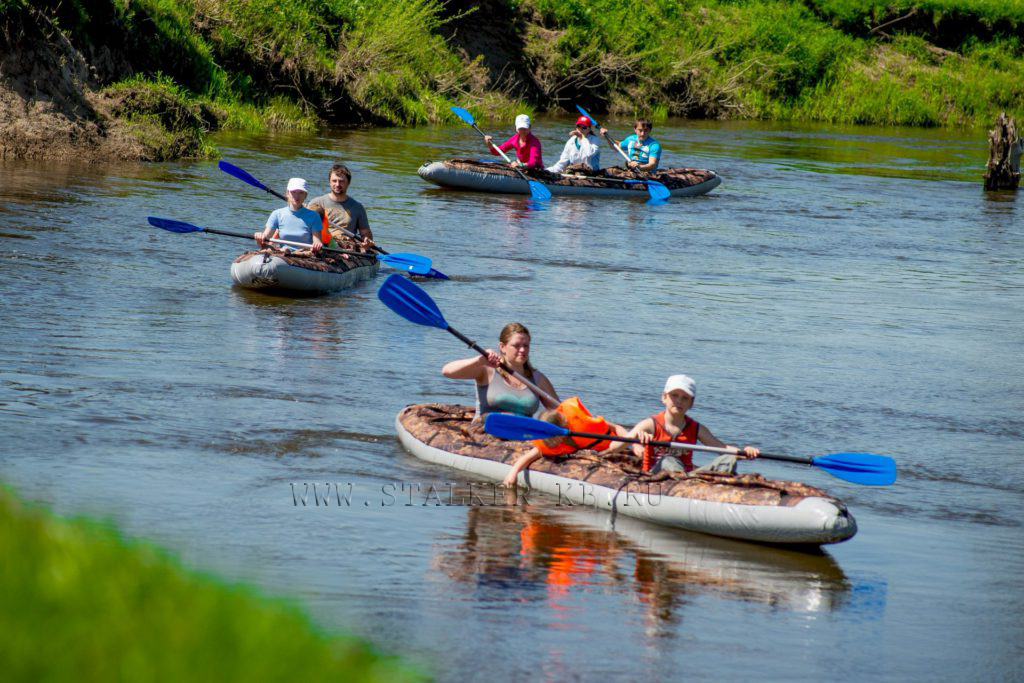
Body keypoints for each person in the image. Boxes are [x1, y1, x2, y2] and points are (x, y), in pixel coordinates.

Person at [632, 374, 759, 474]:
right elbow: (619, 445)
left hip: (686, 477)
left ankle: (692, 486)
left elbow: (722, 448)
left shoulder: (696, 428)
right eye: (674, 395)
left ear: (691, 403)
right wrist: (635, 441)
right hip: (655, 475)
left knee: (728, 460)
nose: (679, 401)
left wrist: (745, 453)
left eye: (685, 398)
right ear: (664, 397)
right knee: (669, 460)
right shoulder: (650, 424)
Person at [502, 396, 631, 487]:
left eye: (552, 439)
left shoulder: (583, 425)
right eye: (547, 440)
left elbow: (616, 427)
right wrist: (512, 475)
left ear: (563, 428)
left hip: (617, 446)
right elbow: (527, 457)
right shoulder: (545, 442)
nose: (550, 444)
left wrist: (631, 441)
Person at [442, 322, 559, 419]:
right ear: (502, 347)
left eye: (526, 345)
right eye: (516, 345)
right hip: (485, 434)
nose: (522, 350)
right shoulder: (487, 370)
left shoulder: (538, 379)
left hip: (521, 437)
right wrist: (479, 360)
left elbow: (560, 413)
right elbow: (447, 371)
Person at [306, 163, 373, 252]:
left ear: (348, 183)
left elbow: (365, 234)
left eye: (341, 181)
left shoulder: (357, 207)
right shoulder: (316, 203)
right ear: (329, 182)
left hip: (345, 246)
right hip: (322, 244)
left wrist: (366, 242)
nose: (337, 184)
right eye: (334, 181)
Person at [254, 177, 323, 254]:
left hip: (304, 254)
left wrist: (317, 245)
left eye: (301, 192)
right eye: (293, 192)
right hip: (283, 254)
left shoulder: (314, 216)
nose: (297, 196)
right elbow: (264, 242)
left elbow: (317, 241)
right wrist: (260, 238)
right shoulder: (277, 214)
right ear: (287, 193)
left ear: (305, 195)